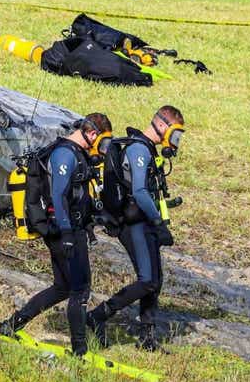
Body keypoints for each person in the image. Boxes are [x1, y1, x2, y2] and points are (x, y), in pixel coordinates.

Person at [0, 113, 114, 356]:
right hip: (63, 231)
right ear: (91, 134)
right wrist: (68, 233)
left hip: (71, 228)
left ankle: (10, 325)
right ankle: (80, 350)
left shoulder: (77, 154)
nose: (103, 149)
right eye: (103, 142)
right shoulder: (64, 155)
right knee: (80, 289)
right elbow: (58, 196)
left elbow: (78, 195)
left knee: (62, 287)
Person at [86, 105, 185, 352]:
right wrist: (157, 221)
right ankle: (98, 315)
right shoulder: (139, 149)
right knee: (147, 280)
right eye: (175, 134)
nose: (176, 141)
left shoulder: (148, 149)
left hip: (144, 221)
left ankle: (146, 338)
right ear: (162, 126)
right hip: (134, 223)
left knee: (156, 280)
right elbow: (140, 192)